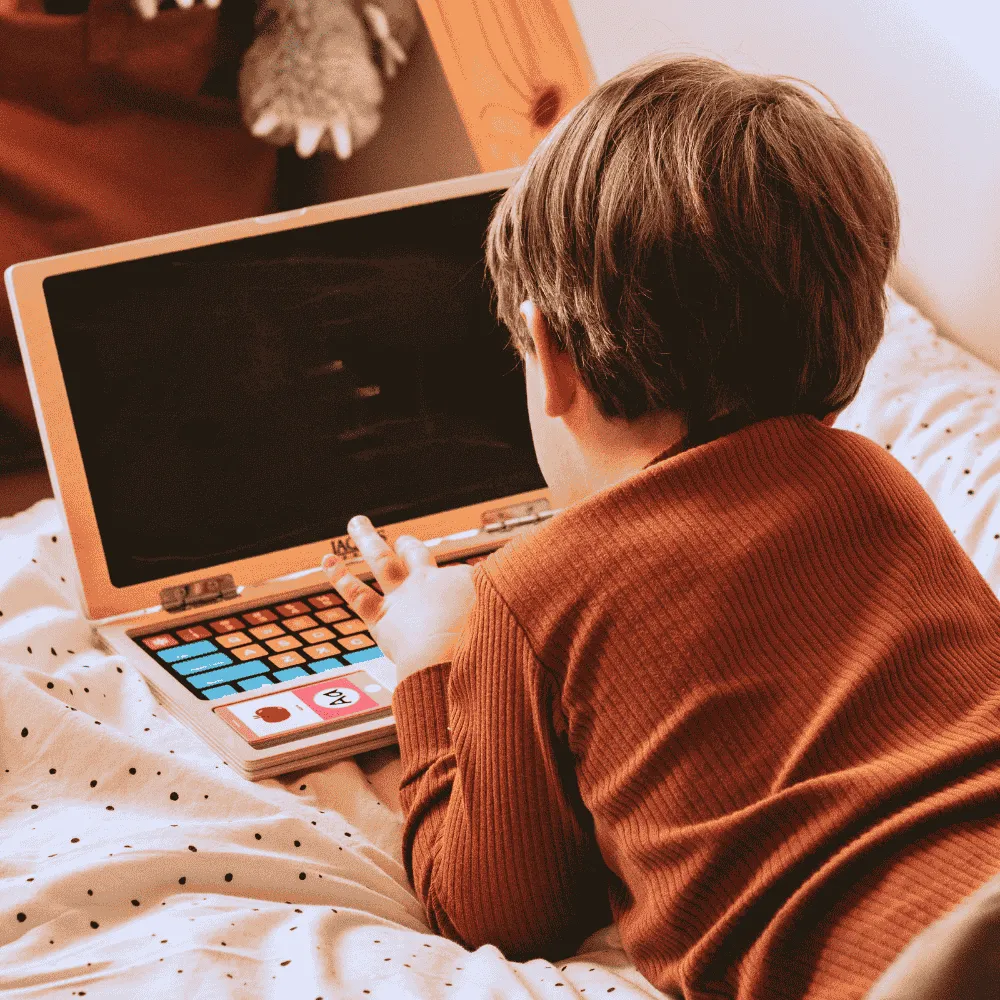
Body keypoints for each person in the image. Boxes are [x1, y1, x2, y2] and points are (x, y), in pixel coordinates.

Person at [321, 55, 1000, 1000]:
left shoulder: (533, 590)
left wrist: (435, 666)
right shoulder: (879, 483)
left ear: (550, 356)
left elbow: (493, 909)